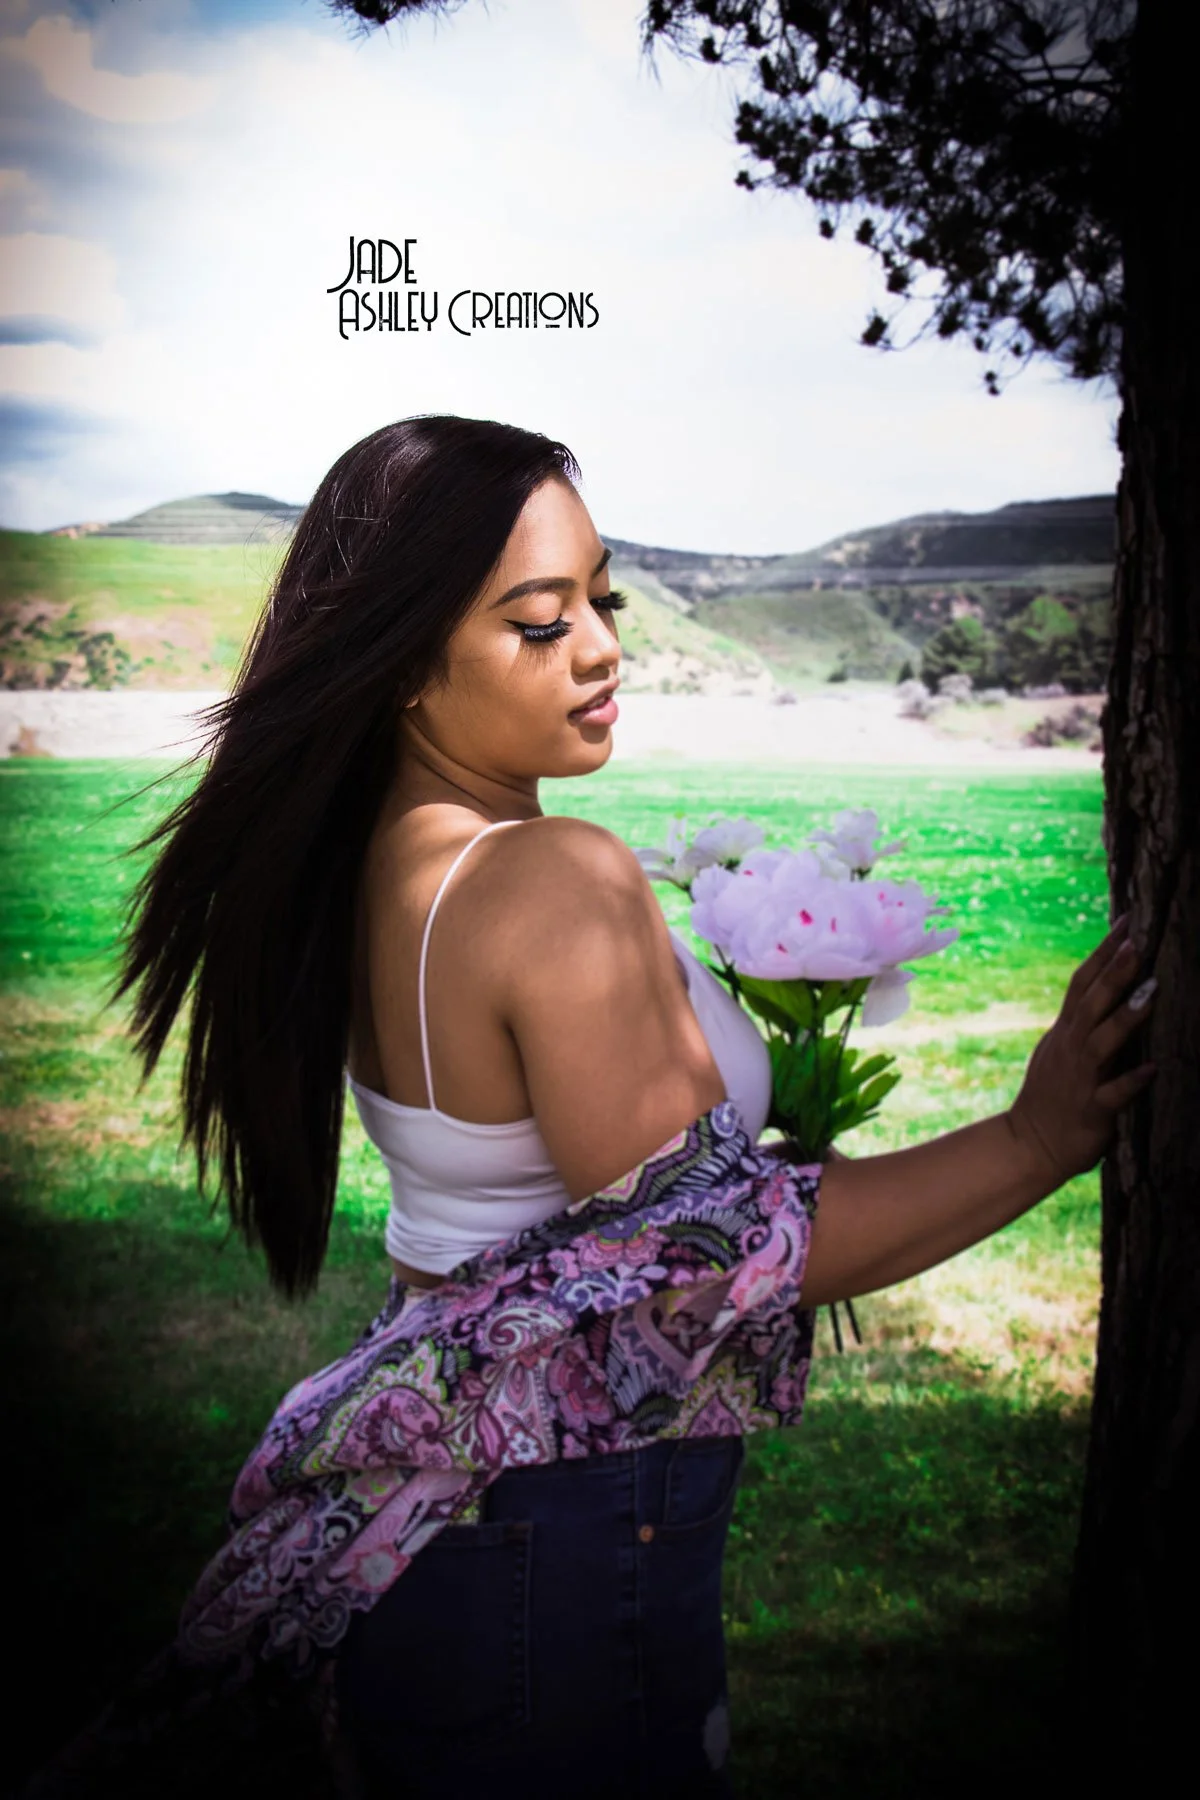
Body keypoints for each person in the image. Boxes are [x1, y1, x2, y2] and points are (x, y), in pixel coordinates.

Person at [110, 415, 1156, 1800]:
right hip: (564, 1536)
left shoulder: (383, 864)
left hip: (449, 1529)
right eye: (542, 623)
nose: (603, 647)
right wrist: (1038, 1137)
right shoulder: (548, 877)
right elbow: (710, 1260)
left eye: (604, 601)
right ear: (403, 662)